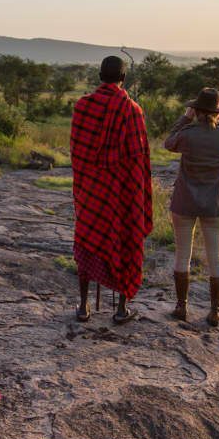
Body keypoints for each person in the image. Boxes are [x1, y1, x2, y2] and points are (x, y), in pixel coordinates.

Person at [69, 55, 153, 323]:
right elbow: (139, 159)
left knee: (87, 242)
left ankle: (83, 308)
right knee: (125, 240)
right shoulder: (133, 111)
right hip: (121, 195)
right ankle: (120, 310)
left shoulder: (83, 106)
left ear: (99, 77)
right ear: (123, 79)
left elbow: (77, 153)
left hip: (91, 193)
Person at [163, 87, 219, 326]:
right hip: (215, 203)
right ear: (217, 112)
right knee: (215, 256)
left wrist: (185, 118)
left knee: (182, 254)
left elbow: (168, 143)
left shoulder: (187, 133)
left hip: (185, 200)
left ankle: (181, 307)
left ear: (195, 110)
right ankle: (215, 311)